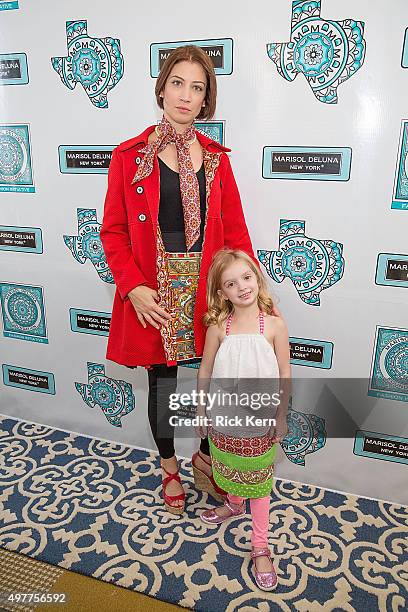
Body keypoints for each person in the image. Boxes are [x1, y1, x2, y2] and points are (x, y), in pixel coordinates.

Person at [100, 45, 260, 515]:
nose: (185, 96)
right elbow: (111, 231)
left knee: (219, 379)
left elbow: (235, 230)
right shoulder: (130, 156)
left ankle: (208, 460)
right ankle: (169, 469)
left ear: (207, 98)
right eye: (177, 83)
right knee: (164, 386)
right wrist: (133, 287)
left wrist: (249, 294)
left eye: (197, 87)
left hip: (210, 287)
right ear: (162, 87)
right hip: (156, 289)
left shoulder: (215, 159)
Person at [195, 248, 290, 591]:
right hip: (223, 421)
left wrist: (281, 415)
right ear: (222, 293)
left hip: (260, 423)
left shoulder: (275, 326)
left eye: (247, 278)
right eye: (231, 283)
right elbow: (205, 369)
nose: (242, 287)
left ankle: (260, 544)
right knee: (228, 467)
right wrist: (202, 409)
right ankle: (234, 505)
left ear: (257, 279)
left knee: (260, 483)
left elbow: (284, 372)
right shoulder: (218, 327)